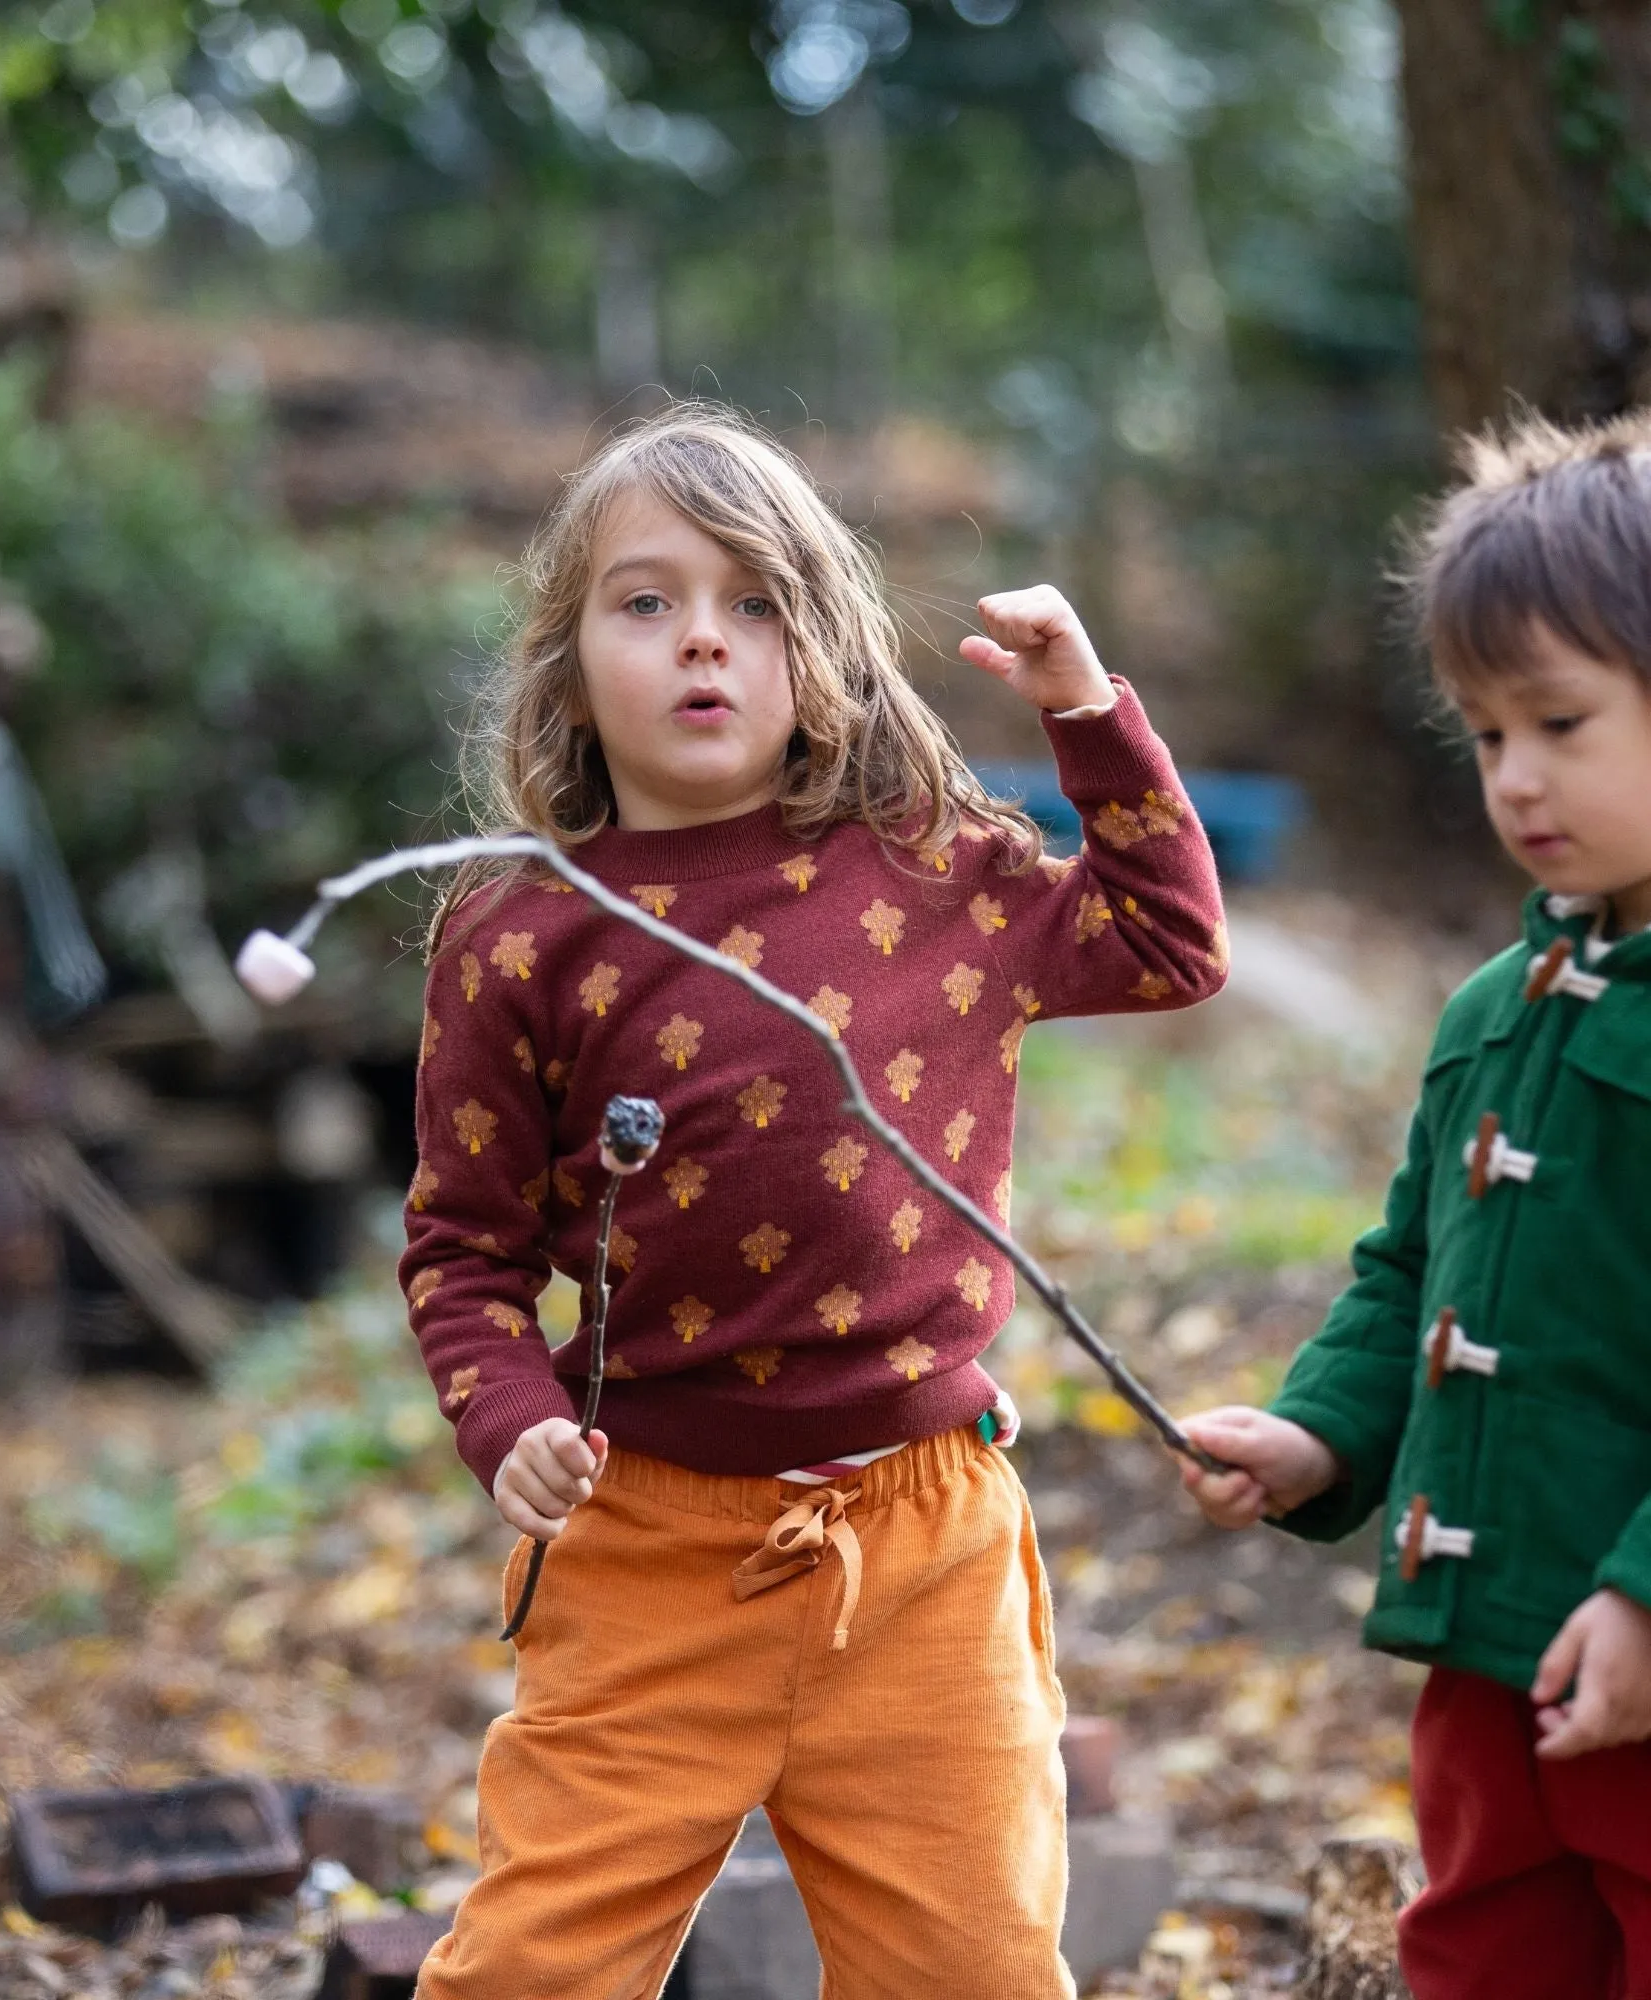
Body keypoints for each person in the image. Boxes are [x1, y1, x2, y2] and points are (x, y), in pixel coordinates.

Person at [400, 403, 1227, 1997]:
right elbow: (463, 1250)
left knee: (975, 1976)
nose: (702, 641)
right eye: (645, 603)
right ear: (567, 662)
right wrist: (506, 1419)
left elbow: (1168, 944)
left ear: (826, 649)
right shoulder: (517, 934)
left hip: (925, 1548)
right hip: (644, 1549)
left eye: (754, 601)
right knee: (525, 1975)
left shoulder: (934, 873)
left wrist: (1087, 716)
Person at [1177, 411, 1651, 2000]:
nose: (1514, 778)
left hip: (1640, 1657)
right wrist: (1318, 1436)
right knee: (1480, 1958)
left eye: (1560, 724)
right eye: (1484, 733)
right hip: (1483, 1663)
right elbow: (1407, 1276)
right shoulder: (1491, 1015)